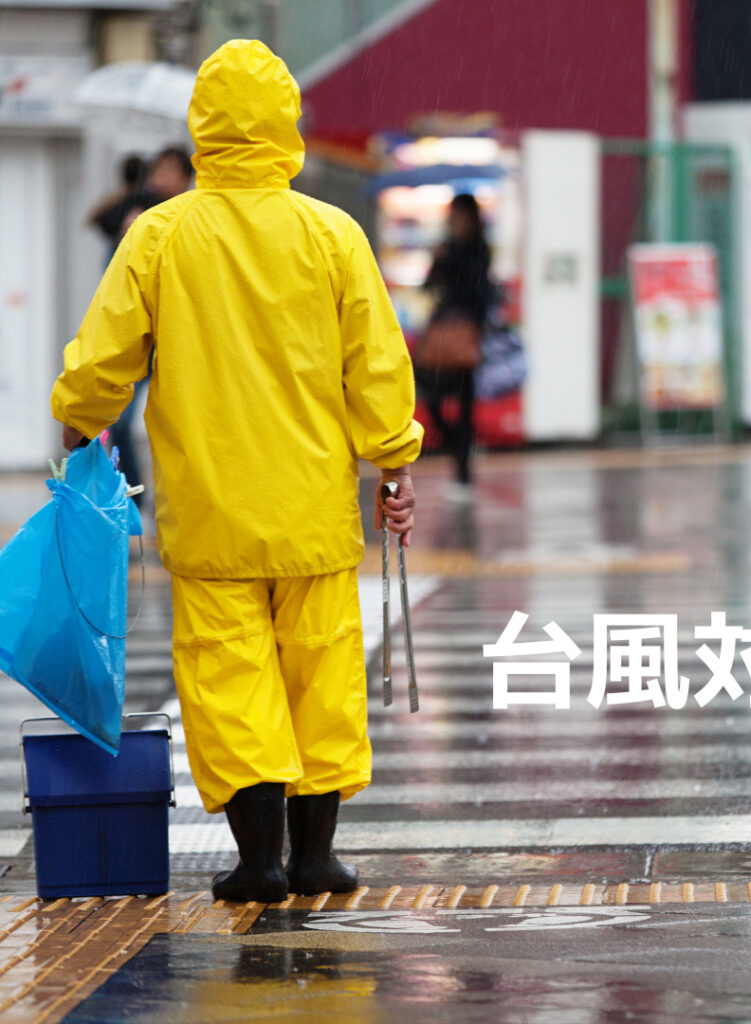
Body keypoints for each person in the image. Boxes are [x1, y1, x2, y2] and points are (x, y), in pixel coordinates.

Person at [51, 39, 422, 903]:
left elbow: (104, 359)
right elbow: (375, 366)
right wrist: (393, 461)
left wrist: (79, 424)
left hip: (210, 510)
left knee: (230, 679)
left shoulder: (162, 235)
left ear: (205, 128)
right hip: (313, 511)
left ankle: (257, 862)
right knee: (321, 677)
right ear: (287, 126)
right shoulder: (333, 234)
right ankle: (316, 855)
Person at [107, 146, 194, 500]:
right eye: (158, 169)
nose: (161, 176)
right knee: (123, 422)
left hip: (180, 341)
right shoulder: (139, 213)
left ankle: (179, 498)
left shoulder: (194, 218)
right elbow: (116, 291)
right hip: (143, 341)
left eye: (169, 170)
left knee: (184, 427)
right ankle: (135, 496)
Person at [417, 192, 494, 490]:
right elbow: (429, 286)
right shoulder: (447, 247)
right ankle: (456, 450)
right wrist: (438, 261)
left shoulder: (478, 249)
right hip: (442, 336)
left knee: (465, 407)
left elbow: (478, 290)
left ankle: (463, 472)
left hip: (465, 337)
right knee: (430, 394)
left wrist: (477, 330)